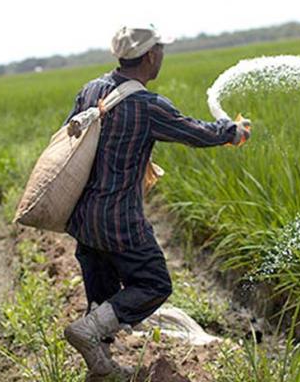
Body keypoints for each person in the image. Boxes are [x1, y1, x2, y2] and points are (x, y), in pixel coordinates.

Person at [62, 25, 250, 380]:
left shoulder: (91, 90)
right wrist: (233, 132)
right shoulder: (146, 105)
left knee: (103, 298)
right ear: (150, 56)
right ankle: (87, 333)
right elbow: (194, 132)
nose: (162, 54)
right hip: (119, 220)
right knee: (153, 284)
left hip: (84, 218)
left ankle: (100, 369)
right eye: (160, 49)